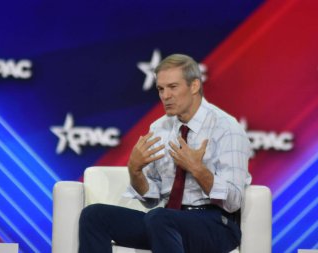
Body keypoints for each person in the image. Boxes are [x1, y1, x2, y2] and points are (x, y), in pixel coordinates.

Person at [78, 54, 252, 253]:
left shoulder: (226, 128)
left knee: (159, 218)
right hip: (166, 222)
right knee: (94, 216)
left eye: (173, 87)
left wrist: (198, 169)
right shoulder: (160, 128)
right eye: (161, 89)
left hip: (216, 224)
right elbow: (151, 198)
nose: (165, 96)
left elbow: (233, 201)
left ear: (194, 86)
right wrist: (135, 171)